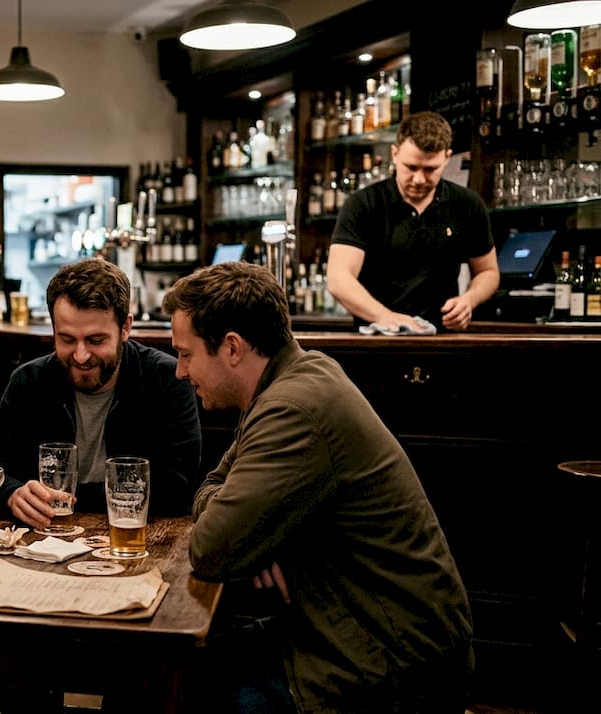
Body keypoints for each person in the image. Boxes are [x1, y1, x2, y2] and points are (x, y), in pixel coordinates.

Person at [163, 261, 474, 713]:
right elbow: (213, 487)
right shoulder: (298, 377)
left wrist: (252, 535)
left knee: (181, 690)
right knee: (180, 671)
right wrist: (255, 534)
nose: (179, 371)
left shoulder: (293, 409)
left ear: (231, 347)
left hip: (389, 664)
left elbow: (211, 546)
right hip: (345, 629)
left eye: (186, 354)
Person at [0, 257, 202, 527]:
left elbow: (178, 488)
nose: (81, 355)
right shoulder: (29, 380)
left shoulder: (167, 378)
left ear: (125, 328)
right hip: (44, 538)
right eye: (67, 339)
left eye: (96, 340)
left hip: (135, 536)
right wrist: (12, 494)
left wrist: (72, 498)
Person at [327, 110, 499, 332]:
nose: (419, 179)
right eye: (411, 167)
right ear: (395, 154)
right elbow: (339, 278)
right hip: (377, 339)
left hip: (443, 338)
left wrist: (469, 300)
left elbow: (488, 272)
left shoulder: (467, 204)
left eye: (430, 169)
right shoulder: (364, 204)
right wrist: (385, 317)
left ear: (447, 158)